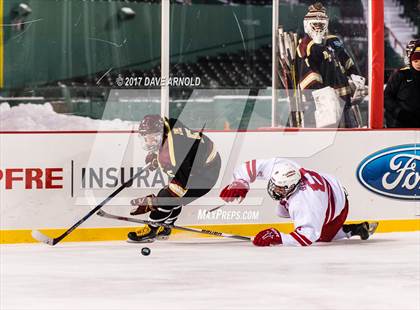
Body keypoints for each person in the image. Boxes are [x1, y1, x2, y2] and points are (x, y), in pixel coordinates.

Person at [219, 158, 378, 247]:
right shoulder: (283, 167)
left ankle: (352, 229)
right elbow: (250, 167)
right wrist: (240, 182)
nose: (274, 191)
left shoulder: (306, 201)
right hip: (327, 187)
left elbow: (307, 237)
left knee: (323, 238)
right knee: (281, 211)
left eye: (280, 189)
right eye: (273, 185)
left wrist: (277, 236)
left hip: (338, 205)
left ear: (293, 187)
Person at [127, 114, 221, 242]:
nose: (147, 141)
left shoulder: (178, 146)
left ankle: (152, 229)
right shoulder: (167, 131)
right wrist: (157, 157)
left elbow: (179, 186)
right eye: (145, 137)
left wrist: (155, 202)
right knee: (171, 196)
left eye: (149, 137)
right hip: (199, 164)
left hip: (207, 173)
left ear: (157, 136)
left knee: (168, 195)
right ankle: (166, 227)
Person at [296, 2, 366, 128]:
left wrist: (354, 76)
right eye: (315, 24)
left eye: (321, 24)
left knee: (348, 140)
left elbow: (346, 60)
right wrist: (324, 100)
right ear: (307, 25)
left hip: (344, 102)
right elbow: (309, 78)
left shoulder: (333, 41)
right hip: (323, 109)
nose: (318, 28)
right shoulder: (305, 47)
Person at [384, 39, 420, 128]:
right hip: (399, 126)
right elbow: (386, 97)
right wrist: (399, 112)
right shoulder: (400, 75)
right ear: (410, 59)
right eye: (416, 61)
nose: (419, 64)